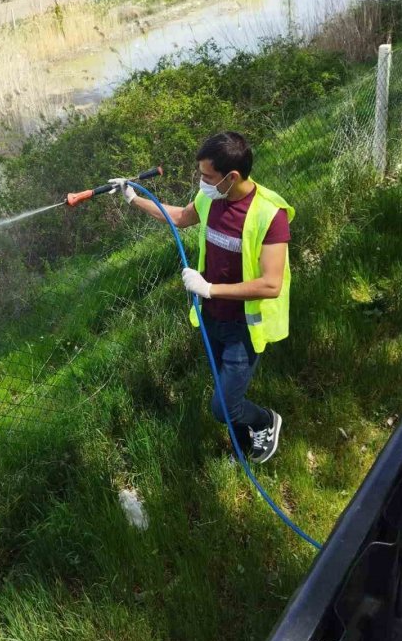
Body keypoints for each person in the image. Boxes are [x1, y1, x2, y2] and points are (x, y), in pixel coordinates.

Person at [109, 131, 294, 463]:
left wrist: (209, 289)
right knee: (226, 394)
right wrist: (132, 198)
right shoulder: (211, 198)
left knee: (224, 407)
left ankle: (266, 420)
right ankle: (243, 445)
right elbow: (180, 217)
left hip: (243, 328)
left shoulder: (271, 215)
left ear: (231, 177)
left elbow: (271, 284)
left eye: (207, 176)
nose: (202, 182)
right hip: (212, 320)